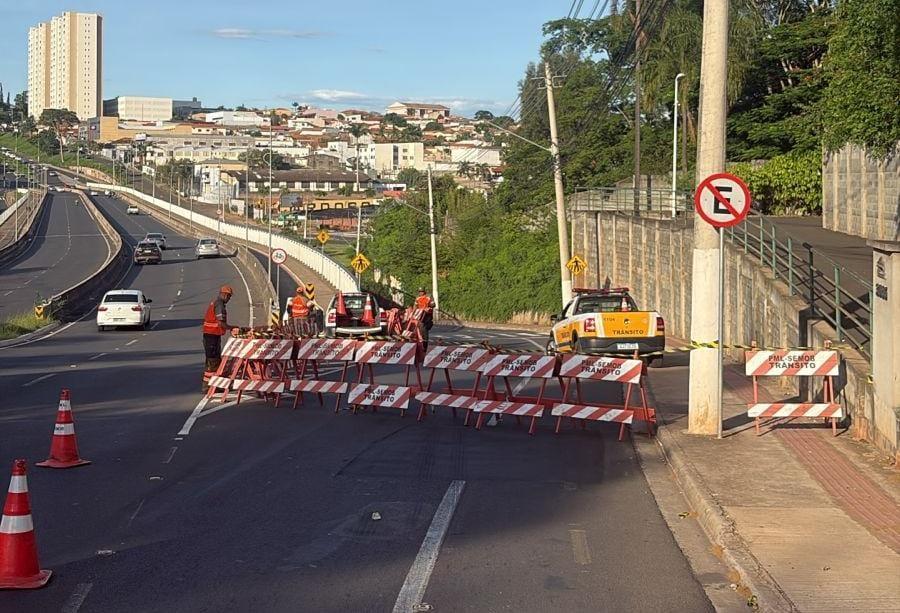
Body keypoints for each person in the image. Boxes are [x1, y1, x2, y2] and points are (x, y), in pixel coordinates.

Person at [202, 285, 233, 374]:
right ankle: (211, 383)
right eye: (229, 297)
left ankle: (210, 381)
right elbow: (221, 323)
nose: (229, 299)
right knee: (213, 360)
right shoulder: (219, 305)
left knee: (211, 359)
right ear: (225, 295)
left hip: (210, 335)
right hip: (212, 336)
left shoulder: (216, 302)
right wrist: (232, 327)